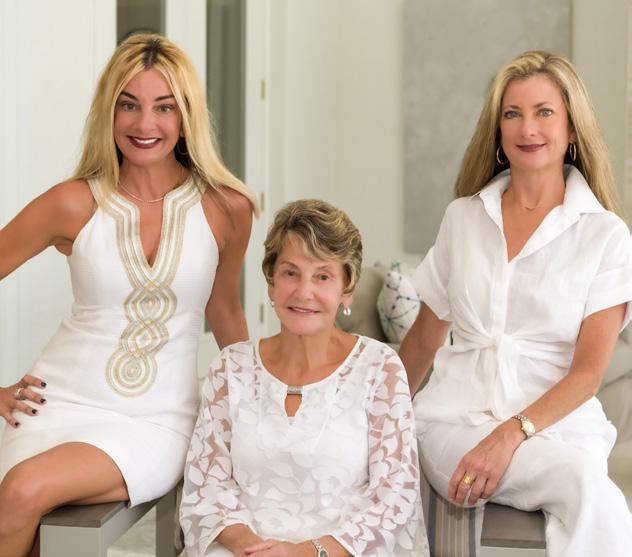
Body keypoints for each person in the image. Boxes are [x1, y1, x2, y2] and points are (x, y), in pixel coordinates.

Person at [0, 33, 256, 556]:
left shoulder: (226, 207)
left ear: (186, 116)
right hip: (56, 404)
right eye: (129, 105)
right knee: (28, 518)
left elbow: (226, 311)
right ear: (109, 111)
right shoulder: (71, 202)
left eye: (164, 107)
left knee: (23, 491)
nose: (145, 124)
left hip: (157, 419)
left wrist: (254, 413)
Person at [400, 50, 632, 556]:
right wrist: (374, 422)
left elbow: (587, 375)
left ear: (572, 129)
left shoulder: (606, 236)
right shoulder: (463, 218)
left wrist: (510, 436)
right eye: (512, 113)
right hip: (454, 425)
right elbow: (421, 341)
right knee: (586, 488)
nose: (528, 128)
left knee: (584, 484)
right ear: (498, 131)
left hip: (559, 429)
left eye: (544, 112)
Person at [180, 199, 429, 557]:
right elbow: (206, 488)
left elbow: (394, 500)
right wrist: (253, 548)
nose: (303, 292)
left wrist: (301, 553)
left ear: (346, 289)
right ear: (271, 282)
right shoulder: (230, 368)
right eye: (290, 273)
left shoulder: (381, 368)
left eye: (322, 276)